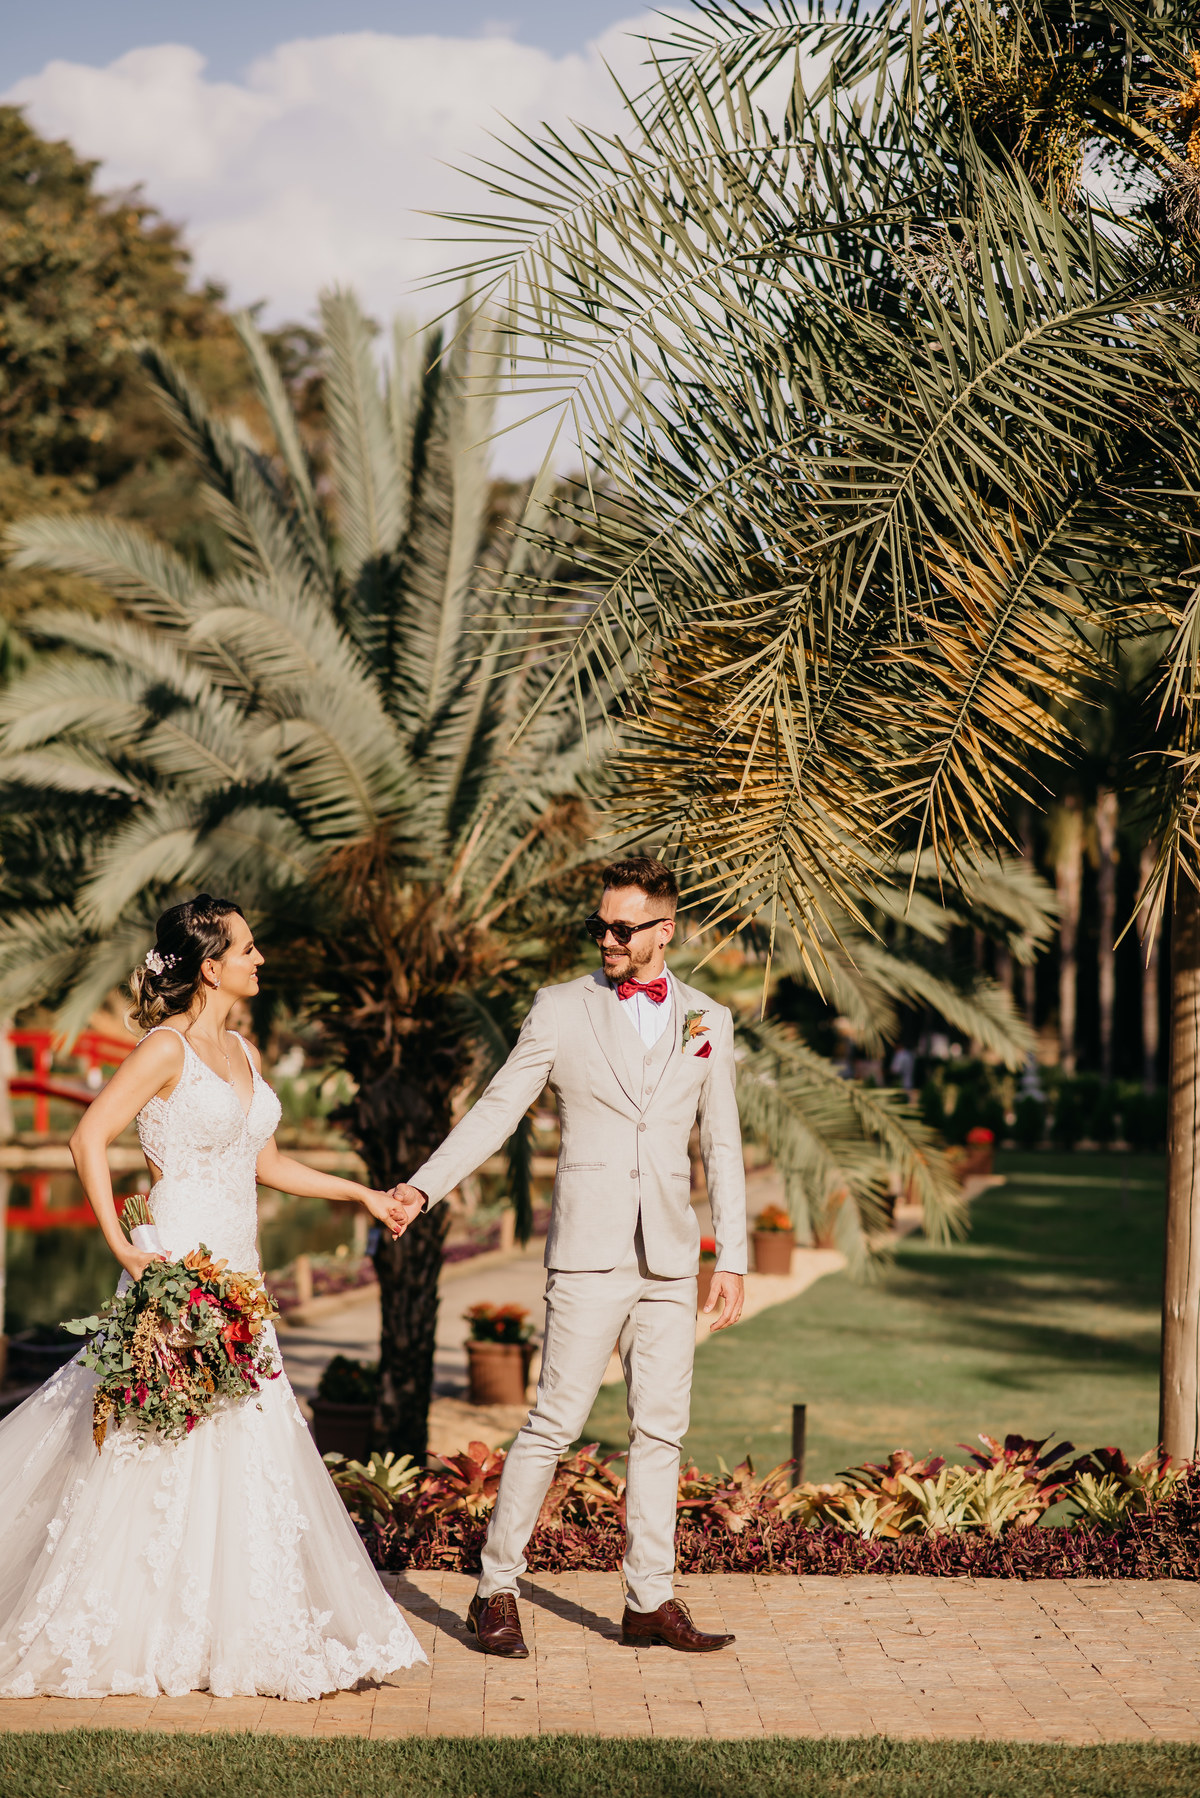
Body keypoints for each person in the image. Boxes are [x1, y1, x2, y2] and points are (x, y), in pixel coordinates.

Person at [0, 893, 425, 1701]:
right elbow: (87, 1137)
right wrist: (123, 1243)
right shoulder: (165, 1050)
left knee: (245, 1438)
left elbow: (263, 1165)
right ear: (211, 966)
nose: (261, 960)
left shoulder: (244, 1050)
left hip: (242, 1274)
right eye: (249, 948)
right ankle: (136, 1626)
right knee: (156, 1443)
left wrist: (361, 1194)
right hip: (178, 1268)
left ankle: (228, 1625)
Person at [390, 856, 748, 1657]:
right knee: (554, 1422)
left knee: (661, 1432)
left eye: (624, 928)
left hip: (670, 1257)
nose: (608, 939)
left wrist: (733, 1256)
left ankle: (649, 1600)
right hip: (588, 1252)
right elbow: (497, 1110)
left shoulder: (708, 1020)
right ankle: (496, 1589)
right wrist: (422, 1188)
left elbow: (722, 1144)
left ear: (665, 930)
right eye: (600, 926)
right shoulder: (559, 1008)